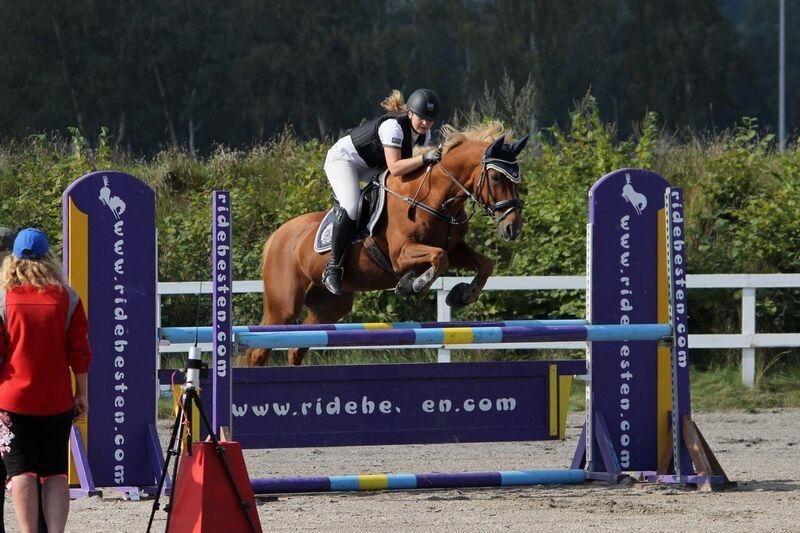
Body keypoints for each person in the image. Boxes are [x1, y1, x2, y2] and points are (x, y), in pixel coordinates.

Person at [0, 228, 91, 533]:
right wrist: (82, 393)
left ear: (13, 260)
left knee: (20, 470)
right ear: (50, 258)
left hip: (13, 400)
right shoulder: (69, 298)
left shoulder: (3, 298)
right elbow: (79, 351)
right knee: (55, 471)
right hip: (56, 400)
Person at [321, 88, 443, 295]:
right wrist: (424, 158)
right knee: (351, 205)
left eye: (430, 120)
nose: (425, 123)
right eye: (422, 118)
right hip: (345, 161)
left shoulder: (424, 134)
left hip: (374, 165)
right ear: (410, 113)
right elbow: (395, 168)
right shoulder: (393, 127)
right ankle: (333, 268)